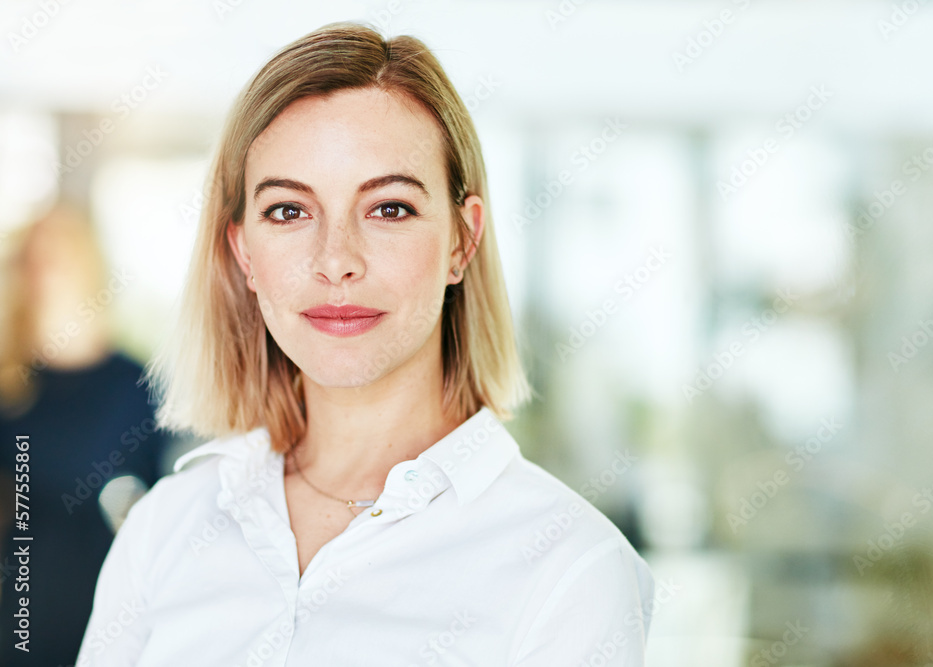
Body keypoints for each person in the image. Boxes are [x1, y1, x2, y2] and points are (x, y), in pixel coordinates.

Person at [76, 22, 657, 665]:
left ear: (462, 241)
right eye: (289, 211)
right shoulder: (165, 528)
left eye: (389, 208)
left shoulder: (569, 570)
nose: (336, 261)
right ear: (243, 252)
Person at [0, 204, 166, 666]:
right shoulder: (11, 384)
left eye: (55, 260)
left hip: (104, 611)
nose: (41, 275)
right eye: (30, 261)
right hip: (16, 611)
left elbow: (154, 504)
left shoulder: (135, 385)